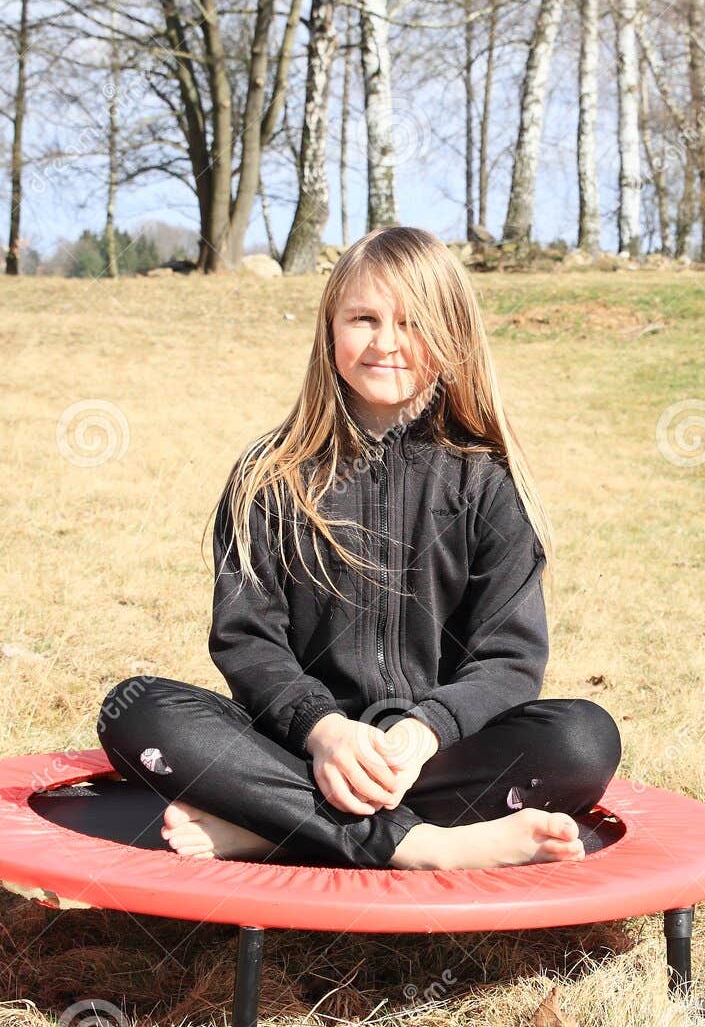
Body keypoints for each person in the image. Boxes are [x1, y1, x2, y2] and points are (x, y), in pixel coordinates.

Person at [94, 225, 622, 870]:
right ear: (329, 329)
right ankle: (422, 845)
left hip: (428, 757)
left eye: (413, 322)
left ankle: (269, 829)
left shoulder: (487, 480)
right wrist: (326, 732)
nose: (387, 343)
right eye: (363, 319)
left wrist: (422, 733)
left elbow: (509, 658)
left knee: (583, 739)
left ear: (453, 335)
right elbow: (247, 639)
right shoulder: (272, 474)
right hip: (294, 746)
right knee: (137, 710)